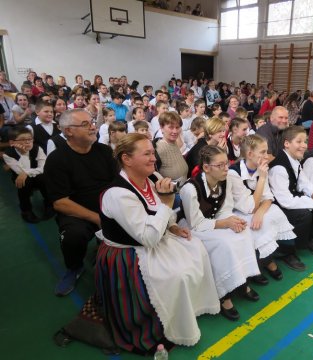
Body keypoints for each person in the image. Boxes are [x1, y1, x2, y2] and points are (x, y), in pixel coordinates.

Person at [95, 133, 219, 353]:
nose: (154, 158)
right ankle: (162, 324)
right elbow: (147, 237)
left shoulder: (151, 178)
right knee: (177, 275)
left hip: (154, 240)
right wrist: (167, 202)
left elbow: (158, 214)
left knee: (196, 249)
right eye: (147, 154)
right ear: (126, 159)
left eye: (153, 152)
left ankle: (185, 314)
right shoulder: (117, 194)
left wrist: (172, 226)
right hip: (131, 254)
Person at [179, 145, 260, 321]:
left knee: (244, 233)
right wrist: (225, 223)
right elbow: (196, 223)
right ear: (206, 168)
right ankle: (224, 295)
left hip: (215, 222)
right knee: (223, 244)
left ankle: (242, 281)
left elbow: (225, 208)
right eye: (220, 165)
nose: (226, 168)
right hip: (194, 228)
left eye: (227, 164)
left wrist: (232, 221)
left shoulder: (227, 179)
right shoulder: (190, 189)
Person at [44, 109, 118, 296]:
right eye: (85, 124)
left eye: (91, 121)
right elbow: (60, 202)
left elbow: (117, 183)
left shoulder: (104, 151)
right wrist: (97, 218)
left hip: (108, 207)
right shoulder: (57, 160)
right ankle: (74, 268)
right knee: (73, 236)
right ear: (68, 131)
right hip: (78, 212)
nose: (93, 126)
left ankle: (105, 251)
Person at [228, 134, 295, 284]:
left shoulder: (259, 168)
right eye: (263, 152)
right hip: (238, 211)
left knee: (272, 215)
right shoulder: (234, 173)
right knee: (254, 226)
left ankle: (267, 259)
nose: (267, 155)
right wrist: (263, 178)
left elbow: (268, 197)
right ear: (250, 154)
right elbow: (248, 208)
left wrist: (260, 212)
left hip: (255, 208)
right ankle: (256, 266)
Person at [269, 126, 313, 270]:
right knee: (303, 214)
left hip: (290, 196)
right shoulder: (279, 168)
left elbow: (303, 181)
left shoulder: (294, 158)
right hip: (279, 204)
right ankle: (287, 251)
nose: (304, 145)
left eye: (305, 141)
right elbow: (286, 201)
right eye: (299, 141)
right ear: (287, 143)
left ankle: (310, 238)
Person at [3, 127, 53, 223]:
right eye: (22, 140)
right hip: (21, 178)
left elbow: (43, 168)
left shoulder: (37, 148)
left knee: (44, 178)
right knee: (23, 181)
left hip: (37, 175)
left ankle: (49, 203)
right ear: (12, 142)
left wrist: (26, 172)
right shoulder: (8, 154)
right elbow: (19, 172)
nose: (27, 142)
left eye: (30, 139)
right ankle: (26, 210)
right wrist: (24, 154)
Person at [155, 112, 189, 184]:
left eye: (177, 127)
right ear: (161, 127)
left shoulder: (174, 143)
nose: (175, 131)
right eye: (171, 127)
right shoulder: (158, 148)